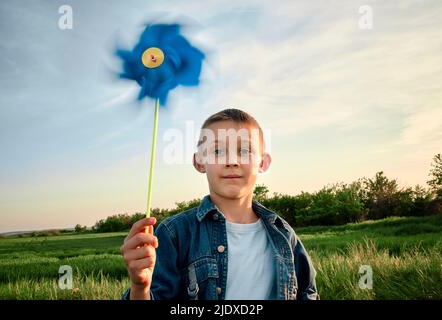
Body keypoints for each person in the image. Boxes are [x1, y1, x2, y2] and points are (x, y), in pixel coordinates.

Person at [121, 108, 318, 300]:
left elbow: (307, 292)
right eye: (218, 151)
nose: (232, 161)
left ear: (263, 162)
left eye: (244, 150)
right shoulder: (175, 234)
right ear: (199, 162)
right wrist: (140, 288)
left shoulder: (283, 233)